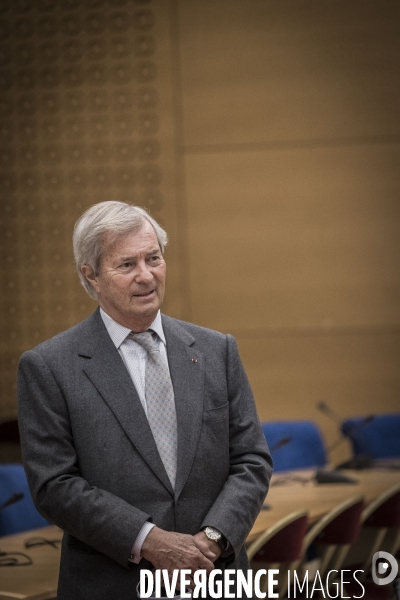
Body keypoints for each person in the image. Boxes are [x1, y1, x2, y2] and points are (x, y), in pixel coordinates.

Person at [18, 201, 272, 600]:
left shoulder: (216, 350)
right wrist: (151, 541)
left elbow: (251, 459)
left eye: (153, 258)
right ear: (92, 276)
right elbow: (55, 484)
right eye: (127, 265)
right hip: (113, 584)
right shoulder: (49, 367)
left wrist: (209, 540)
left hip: (216, 578)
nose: (146, 275)